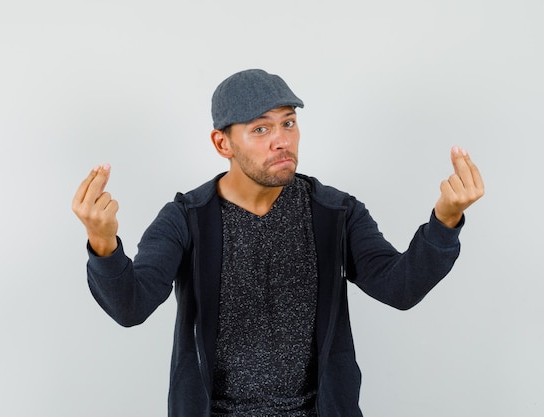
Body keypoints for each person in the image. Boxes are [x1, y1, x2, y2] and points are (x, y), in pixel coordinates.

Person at [71, 69, 484, 417]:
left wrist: (445, 221)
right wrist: (103, 245)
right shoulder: (185, 218)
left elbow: (400, 287)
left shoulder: (335, 211)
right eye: (261, 129)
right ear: (222, 144)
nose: (281, 140)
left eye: (288, 123)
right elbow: (132, 306)